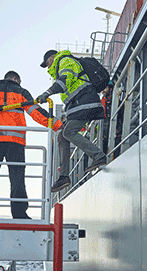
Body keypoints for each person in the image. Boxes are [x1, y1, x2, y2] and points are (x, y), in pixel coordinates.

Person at [0, 71, 62, 219]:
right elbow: (37, 113)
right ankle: (19, 213)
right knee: (17, 178)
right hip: (15, 143)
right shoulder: (21, 92)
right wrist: (58, 125)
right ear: (16, 79)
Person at [36, 50, 107, 192]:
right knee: (62, 135)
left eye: (47, 63)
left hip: (85, 102)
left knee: (68, 132)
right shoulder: (61, 64)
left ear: (52, 57)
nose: (48, 67)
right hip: (78, 105)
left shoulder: (64, 60)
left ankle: (98, 156)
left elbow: (64, 80)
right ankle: (63, 177)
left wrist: (47, 93)